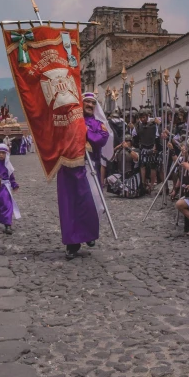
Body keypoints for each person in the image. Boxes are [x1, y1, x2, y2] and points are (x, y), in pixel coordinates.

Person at [58, 93, 109, 259]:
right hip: (69, 168)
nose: (89, 104)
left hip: (88, 168)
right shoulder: (70, 121)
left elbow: (102, 138)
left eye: (92, 102)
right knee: (70, 206)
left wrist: (86, 132)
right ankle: (72, 243)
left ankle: (88, 234)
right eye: (86, 101)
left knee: (91, 204)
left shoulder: (98, 124)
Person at [106, 134, 141, 198]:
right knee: (110, 178)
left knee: (129, 195)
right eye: (125, 141)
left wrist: (127, 148)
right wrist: (116, 148)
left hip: (132, 175)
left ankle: (126, 189)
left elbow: (136, 158)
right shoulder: (119, 151)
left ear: (131, 142)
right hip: (122, 175)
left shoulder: (135, 150)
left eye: (128, 141)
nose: (126, 142)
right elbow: (110, 158)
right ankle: (124, 189)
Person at [134, 109, 159, 193]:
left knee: (152, 166)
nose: (142, 119)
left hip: (152, 146)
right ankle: (143, 183)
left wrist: (156, 146)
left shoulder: (153, 123)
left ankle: (152, 184)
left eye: (143, 117)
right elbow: (135, 135)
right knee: (142, 165)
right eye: (140, 117)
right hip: (143, 147)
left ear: (147, 116)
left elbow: (157, 136)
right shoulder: (138, 125)